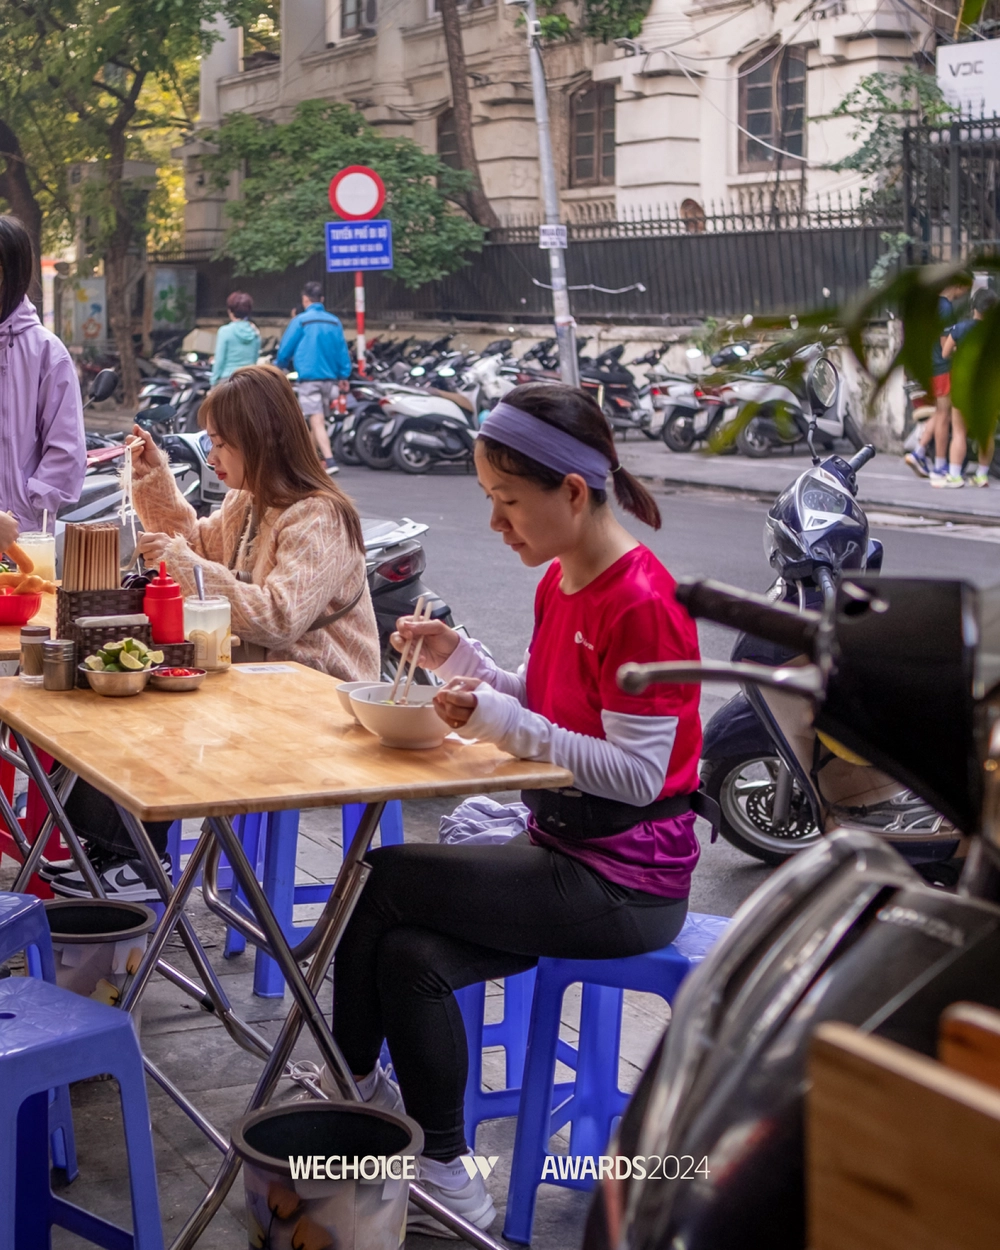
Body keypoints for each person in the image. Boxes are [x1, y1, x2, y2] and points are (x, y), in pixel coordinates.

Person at [329, 383, 703, 1235]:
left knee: (385, 876)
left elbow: (638, 778)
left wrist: (508, 725)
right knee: (412, 955)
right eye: (489, 503)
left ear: (572, 492)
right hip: (561, 851)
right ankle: (448, 1173)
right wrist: (465, 662)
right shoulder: (564, 578)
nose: (498, 525)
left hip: (626, 882)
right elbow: (557, 699)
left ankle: (350, 1096)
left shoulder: (644, 603)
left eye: (508, 503)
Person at [50, 364, 380, 902]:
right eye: (212, 442)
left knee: (164, 709)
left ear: (263, 439)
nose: (212, 457)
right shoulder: (247, 504)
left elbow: (278, 616)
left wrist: (181, 558)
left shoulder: (318, 517)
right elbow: (195, 547)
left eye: (223, 444)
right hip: (260, 683)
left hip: (321, 700)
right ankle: (116, 851)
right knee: (128, 690)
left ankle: (137, 860)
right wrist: (154, 478)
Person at [0, 214, 86, 529]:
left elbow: (66, 449)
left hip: (25, 539)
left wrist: (28, 513)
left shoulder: (48, 353)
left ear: (14, 274)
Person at [275, 280, 351, 475]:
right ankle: (307, 460)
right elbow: (342, 350)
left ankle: (329, 460)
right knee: (318, 421)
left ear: (305, 299)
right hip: (330, 380)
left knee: (316, 420)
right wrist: (344, 375)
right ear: (322, 299)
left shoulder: (301, 321)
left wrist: (280, 366)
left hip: (309, 379)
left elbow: (286, 347)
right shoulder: (334, 321)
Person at [904, 272, 972, 483]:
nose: (966, 294)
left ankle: (920, 451)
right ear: (958, 286)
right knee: (945, 416)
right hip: (942, 367)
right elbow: (945, 348)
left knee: (940, 412)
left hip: (931, 365)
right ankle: (940, 466)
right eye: (966, 288)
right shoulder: (946, 308)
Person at [937, 286, 1000, 489]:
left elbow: (945, 354)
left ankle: (955, 476)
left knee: (959, 432)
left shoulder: (960, 329)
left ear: (973, 307)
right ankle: (981, 475)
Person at [209, 291, 261, 386]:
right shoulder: (255, 332)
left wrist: (213, 382)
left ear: (230, 311)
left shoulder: (225, 331)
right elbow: (255, 359)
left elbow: (219, 360)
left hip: (227, 381)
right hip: (249, 382)